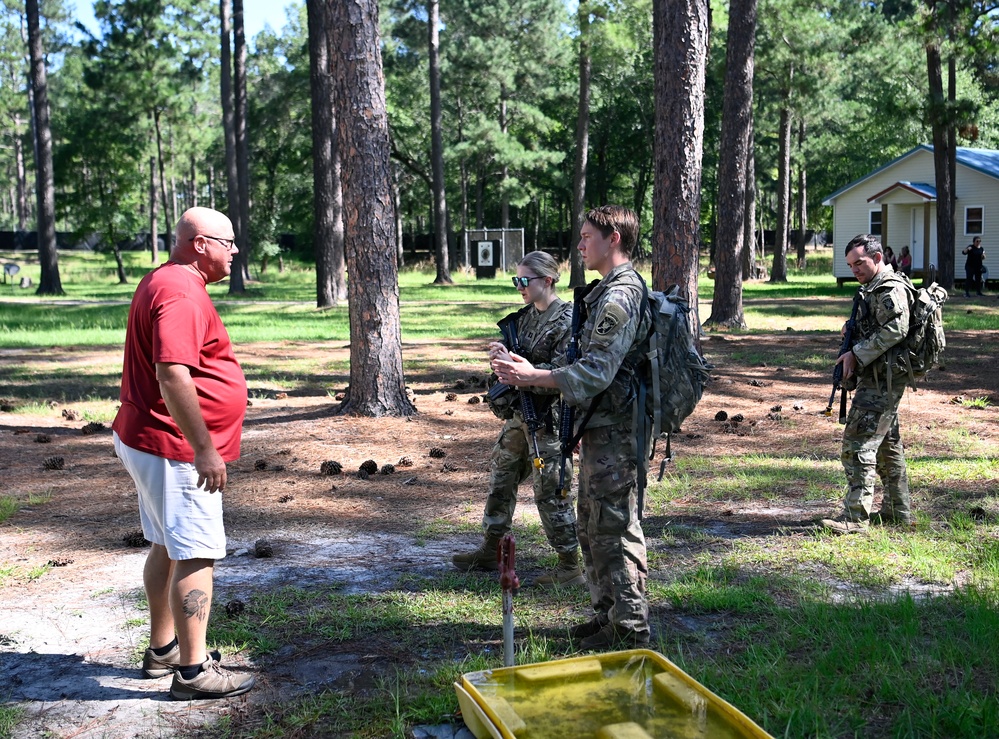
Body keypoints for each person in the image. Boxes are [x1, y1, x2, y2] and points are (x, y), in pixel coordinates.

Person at [492, 205, 652, 650]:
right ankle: (608, 616)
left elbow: (597, 372)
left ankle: (631, 628)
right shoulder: (604, 292)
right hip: (599, 426)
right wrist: (531, 367)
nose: (579, 246)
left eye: (586, 237)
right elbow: (579, 361)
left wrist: (535, 378)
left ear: (613, 237)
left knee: (615, 526)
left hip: (619, 430)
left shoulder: (622, 295)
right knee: (591, 525)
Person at [111, 207, 255, 700]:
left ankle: (164, 649)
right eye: (228, 242)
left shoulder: (168, 280)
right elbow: (171, 372)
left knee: (167, 544)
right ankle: (193, 673)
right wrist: (204, 450)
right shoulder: (179, 291)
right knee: (195, 549)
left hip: (150, 439)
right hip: (174, 448)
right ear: (200, 244)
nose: (235, 251)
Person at [453, 252, 583, 587]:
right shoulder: (523, 319)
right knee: (502, 475)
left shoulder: (568, 321)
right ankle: (492, 547)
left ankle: (570, 564)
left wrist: (522, 372)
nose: (519, 287)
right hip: (520, 415)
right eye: (516, 280)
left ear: (548, 281)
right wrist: (501, 359)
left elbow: (565, 375)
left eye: (525, 280)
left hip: (551, 420)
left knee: (550, 490)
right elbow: (518, 365)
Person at [821, 234, 913, 534]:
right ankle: (899, 511)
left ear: (877, 258)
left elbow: (897, 328)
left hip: (881, 380)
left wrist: (857, 354)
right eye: (850, 265)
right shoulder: (871, 289)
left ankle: (854, 518)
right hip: (880, 375)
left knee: (857, 443)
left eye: (859, 263)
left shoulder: (888, 288)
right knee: (887, 445)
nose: (855, 270)